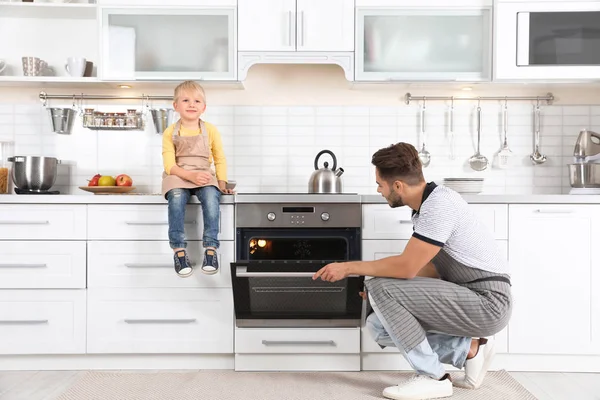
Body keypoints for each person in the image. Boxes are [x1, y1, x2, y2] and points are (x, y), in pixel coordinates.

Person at [313, 142, 512, 400]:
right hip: (469, 296)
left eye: (379, 184)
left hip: (489, 303)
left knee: (378, 286)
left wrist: (350, 268)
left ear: (397, 186)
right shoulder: (425, 209)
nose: (378, 190)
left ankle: (433, 377)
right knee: (377, 322)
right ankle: (470, 350)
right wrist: (383, 296)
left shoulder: (439, 204)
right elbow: (427, 269)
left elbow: (407, 267)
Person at [161, 80, 233, 278]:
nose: (191, 104)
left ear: (204, 107)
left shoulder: (210, 130)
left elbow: (219, 158)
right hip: (178, 175)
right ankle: (179, 250)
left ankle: (211, 249)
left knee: (211, 197)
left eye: (197, 101)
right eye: (185, 100)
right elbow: (170, 166)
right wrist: (190, 175)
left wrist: (221, 184)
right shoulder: (170, 132)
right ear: (176, 106)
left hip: (203, 174)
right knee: (176, 197)